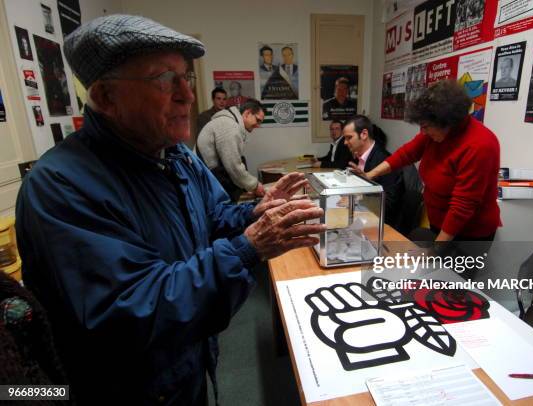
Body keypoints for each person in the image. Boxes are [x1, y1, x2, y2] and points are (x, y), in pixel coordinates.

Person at [15, 14, 325, 405]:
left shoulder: (176, 155)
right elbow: (134, 311)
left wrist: (258, 211)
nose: (187, 95)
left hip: (185, 368)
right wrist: (249, 248)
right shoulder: (61, 186)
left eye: (186, 78)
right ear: (107, 97)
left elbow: (215, 219)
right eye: (165, 79)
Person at [354, 80, 501, 242]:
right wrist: (370, 174)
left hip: (468, 233)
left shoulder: (480, 145)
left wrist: (437, 250)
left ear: (447, 122)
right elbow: (406, 154)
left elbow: (462, 207)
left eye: (426, 126)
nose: (422, 131)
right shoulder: (435, 134)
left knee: (442, 267)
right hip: (439, 222)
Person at [198, 98, 266, 201]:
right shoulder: (229, 126)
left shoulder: (228, 122)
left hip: (210, 179)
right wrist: (255, 185)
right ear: (247, 113)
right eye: (257, 120)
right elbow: (234, 167)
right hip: (207, 183)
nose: (258, 125)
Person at [343, 115, 402, 226]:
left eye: (349, 138)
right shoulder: (355, 155)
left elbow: (389, 204)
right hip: (360, 214)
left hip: (380, 223)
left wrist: (356, 199)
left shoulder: (385, 161)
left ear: (364, 134)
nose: (345, 143)